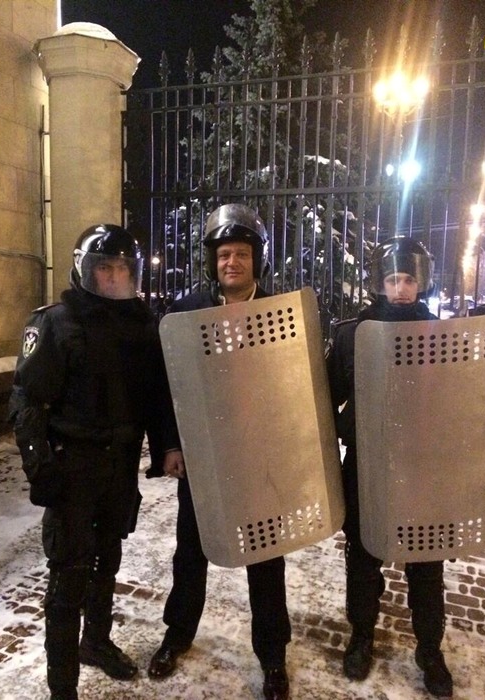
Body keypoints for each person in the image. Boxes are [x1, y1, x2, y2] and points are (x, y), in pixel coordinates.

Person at [10, 224, 182, 700]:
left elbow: (157, 397)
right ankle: (62, 684)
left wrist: (166, 447)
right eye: (104, 268)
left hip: (120, 466)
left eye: (122, 269)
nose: (113, 277)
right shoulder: (56, 322)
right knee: (69, 576)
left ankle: (96, 642)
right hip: (73, 467)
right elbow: (27, 401)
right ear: (85, 270)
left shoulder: (142, 325)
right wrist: (41, 470)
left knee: (108, 560)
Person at [146, 203, 292, 700]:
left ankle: (273, 656)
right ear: (213, 260)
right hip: (203, 459)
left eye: (242, 254)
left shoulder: (279, 315)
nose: (232, 262)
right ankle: (177, 635)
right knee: (191, 552)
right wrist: (169, 445)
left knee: (266, 560)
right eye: (225, 254)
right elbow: (165, 387)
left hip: (260, 461)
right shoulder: (186, 313)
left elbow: (293, 388)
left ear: (257, 260)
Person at [326, 237, 453, 698]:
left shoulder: (441, 335)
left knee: (426, 563)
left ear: (421, 283)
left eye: (408, 280)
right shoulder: (352, 335)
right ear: (380, 284)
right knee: (363, 557)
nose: (401, 289)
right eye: (393, 279)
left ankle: (430, 649)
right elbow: (327, 398)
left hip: (421, 467)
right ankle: (362, 635)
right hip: (369, 463)